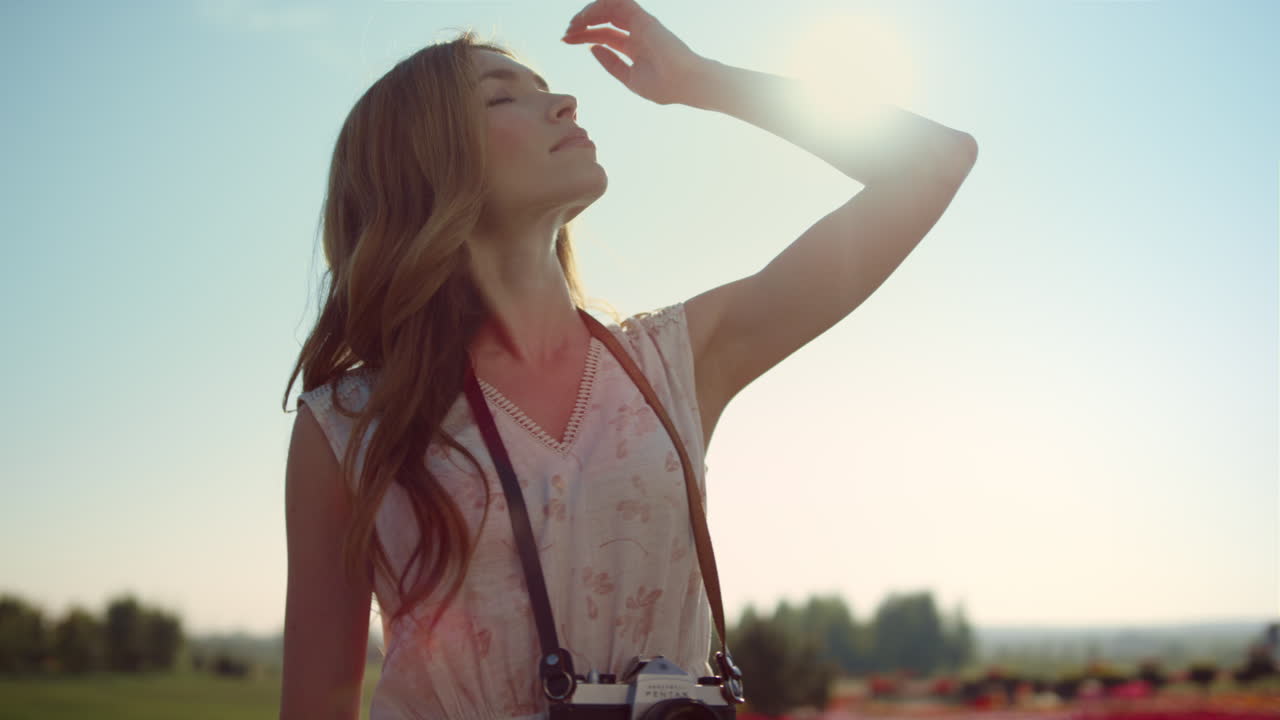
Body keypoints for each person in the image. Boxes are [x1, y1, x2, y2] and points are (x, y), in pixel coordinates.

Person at [278, 1, 977, 718]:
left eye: (543, 83)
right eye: (502, 95)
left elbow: (935, 161)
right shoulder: (349, 425)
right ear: (424, 165)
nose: (562, 101)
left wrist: (700, 79)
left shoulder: (675, 358)